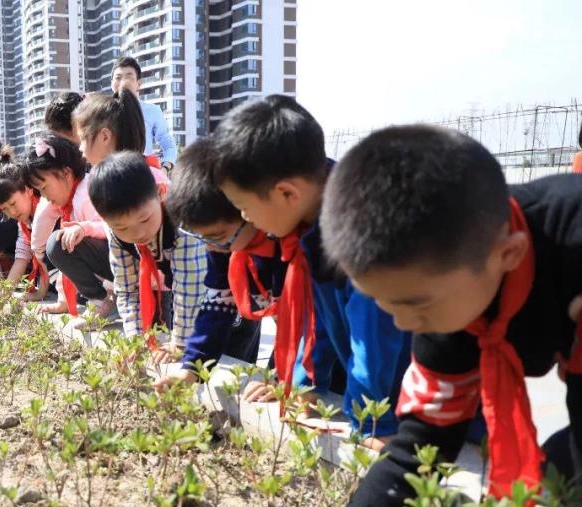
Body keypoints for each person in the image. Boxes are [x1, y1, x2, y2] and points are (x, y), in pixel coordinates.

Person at [261, 125, 582, 507]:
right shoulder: (440, 295)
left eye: (413, 306)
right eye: (386, 305)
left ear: (508, 255)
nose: (404, 326)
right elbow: (419, 447)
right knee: (553, 468)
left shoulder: (568, 248)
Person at [212, 95, 412, 439]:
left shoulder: (357, 227)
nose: (246, 219)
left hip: (417, 403)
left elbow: (374, 335)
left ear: (287, 193)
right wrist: (299, 387)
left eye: (245, 207)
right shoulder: (310, 228)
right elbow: (316, 324)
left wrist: (371, 422)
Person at [154, 138, 288, 389]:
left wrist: (288, 380)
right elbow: (216, 307)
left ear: (248, 210)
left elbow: (308, 325)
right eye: (200, 237)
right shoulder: (225, 244)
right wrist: (192, 369)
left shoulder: (288, 245)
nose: (211, 247)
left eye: (216, 237)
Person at [89, 152, 205, 361]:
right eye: (122, 227)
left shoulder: (182, 222)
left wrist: (179, 343)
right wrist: (136, 340)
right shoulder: (116, 234)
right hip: (192, 291)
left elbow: (190, 288)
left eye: (144, 219)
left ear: (161, 193)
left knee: (225, 354)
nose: (137, 233)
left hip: (229, 293)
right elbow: (127, 289)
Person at [26, 134, 114, 321]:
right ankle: (101, 298)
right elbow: (46, 241)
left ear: (66, 173)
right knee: (59, 243)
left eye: (44, 187)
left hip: (127, 262)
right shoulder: (70, 199)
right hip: (113, 266)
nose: (44, 196)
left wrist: (83, 228)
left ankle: (104, 299)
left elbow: (114, 232)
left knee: (58, 243)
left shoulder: (88, 192)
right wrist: (64, 300)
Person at [0, 160, 53, 301]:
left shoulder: (47, 208)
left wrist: (41, 292)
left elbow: (43, 254)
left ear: (28, 190)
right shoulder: (23, 222)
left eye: (12, 203)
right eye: (4, 208)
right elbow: (22, 256)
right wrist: (5, 294)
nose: (11, 211)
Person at [111, 56, 177, 171]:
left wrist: (165, 168)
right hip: (110, 174)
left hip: (142, 175)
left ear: (139, 83)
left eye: (129, 77)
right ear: (112, 83)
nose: (123, 82)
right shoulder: (103, 110)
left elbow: (168, 144)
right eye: (118, 78)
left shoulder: (152, 111)